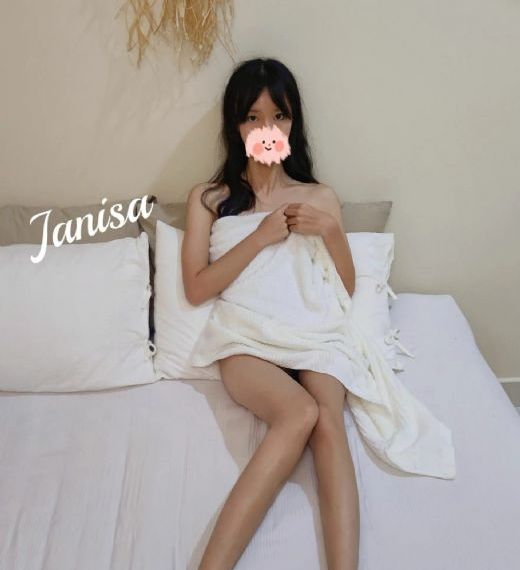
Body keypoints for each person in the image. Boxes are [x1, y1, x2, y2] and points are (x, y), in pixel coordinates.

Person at [181, 57, 359, 570]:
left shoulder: (320, 198)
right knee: (299, 413)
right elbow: (196, 288)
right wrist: (260, 236)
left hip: (314, 331)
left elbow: (344, 290)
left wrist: (330, 231)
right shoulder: (209, 198)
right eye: (253, 117)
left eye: (278, 116)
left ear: (292, 122)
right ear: (236, 126)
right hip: (246, 337)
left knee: (328, 421)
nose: (267, 128)